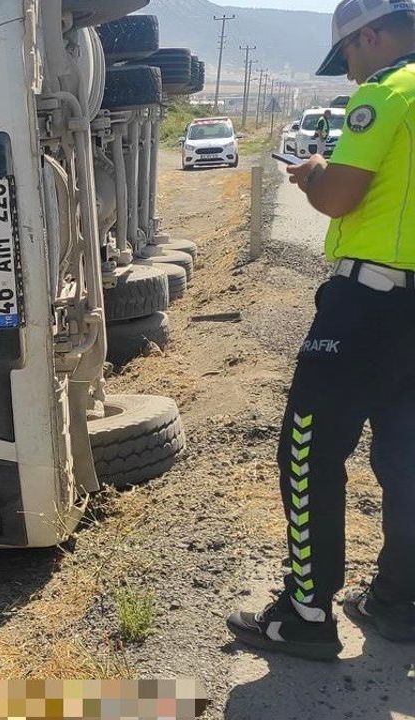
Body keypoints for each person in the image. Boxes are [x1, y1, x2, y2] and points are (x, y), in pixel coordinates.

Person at [227, 0, 415, 660]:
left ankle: (306, 614)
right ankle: (398, 601)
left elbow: (338, 198)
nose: (351, 74)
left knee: (308, 451)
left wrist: (311, 174)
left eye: (348, 58)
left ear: (372, 35)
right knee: (406, 458)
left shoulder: (387, 93)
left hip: (368, 306)